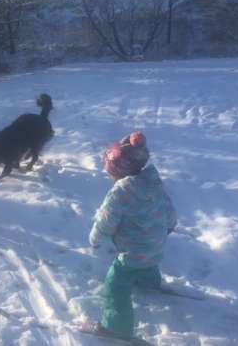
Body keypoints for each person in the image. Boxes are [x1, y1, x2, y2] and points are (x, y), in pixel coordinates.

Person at [89, 131, 177, 339]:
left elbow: (106, 220)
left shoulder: (120, 192)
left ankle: (116, 326)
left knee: (115, 284)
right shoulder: (154, 184)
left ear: (118, 171)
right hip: (157, 244)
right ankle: (150, 283)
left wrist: (96, 237)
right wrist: (169, 227)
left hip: (131, 253)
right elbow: (169, 210)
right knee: (147, 262)